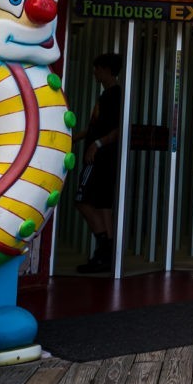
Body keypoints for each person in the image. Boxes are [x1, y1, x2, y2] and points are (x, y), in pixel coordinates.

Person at [76, 53, 124, 272]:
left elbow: (118, 129)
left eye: (96, 68)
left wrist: (97, 144)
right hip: (103, 155)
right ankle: (106, 253)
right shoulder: (107, 95)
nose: (94, 73)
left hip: (100, 157)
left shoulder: (114, 96)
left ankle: (103, 248)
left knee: (82, 201)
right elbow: (95, 127)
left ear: (105, 69)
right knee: (103, 204)